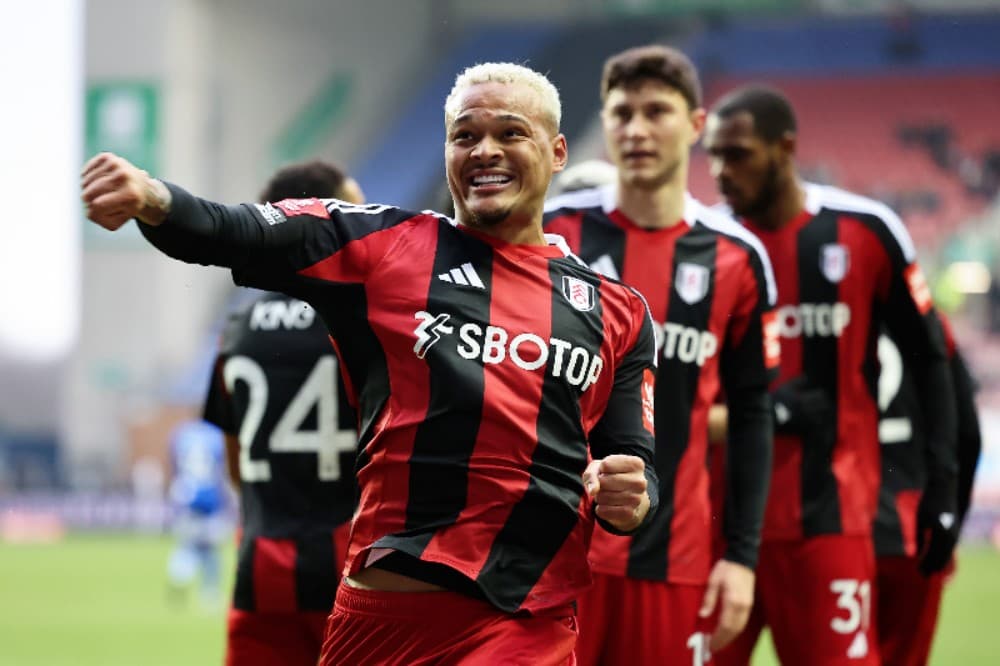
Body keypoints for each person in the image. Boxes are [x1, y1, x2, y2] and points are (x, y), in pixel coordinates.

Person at [82, 62, 659, 666]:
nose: (485, 150)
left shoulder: (617, 312)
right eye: (464, 136)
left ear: (558, 149)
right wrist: (155, 198)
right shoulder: (384, 247)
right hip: (382, 620)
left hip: (524, 625)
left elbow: (637, 462)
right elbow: (240, 232)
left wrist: (632, 496)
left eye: (510, 133)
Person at [703, 85, 959, 665]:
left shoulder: (867, 230)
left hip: (830, 522)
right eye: (713, 155)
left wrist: (943, 491)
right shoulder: (705, 244)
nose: (721, 171)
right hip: (716, 524)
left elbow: (931, 360)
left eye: (737, 154)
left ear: (784, 148)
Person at [544, 45, 777, 665]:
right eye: (621, 113)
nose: (637, 129)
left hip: (674, 558)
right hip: (548, 553)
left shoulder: (738, 259)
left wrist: (742, 558)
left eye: (656, 112)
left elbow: (753, 416)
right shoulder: (551, 234)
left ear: (697, 126)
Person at [202, 160, 365, 665]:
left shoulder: (237, 328)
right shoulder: (366, 318)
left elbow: (235, 464)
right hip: (357, 572)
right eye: (357, 213)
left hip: (263, 570)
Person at [874, 314, 981, 666]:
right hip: (914, 529)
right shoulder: (930, 322)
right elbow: (967, 435)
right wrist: (951, 524)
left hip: (837, 524)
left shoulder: (833, 315)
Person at [165, 418, 231, 608]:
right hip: (210, 499)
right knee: (210, 549)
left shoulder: (181, 434)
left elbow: (174, 465)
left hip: (186, 496)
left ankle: (179, 576)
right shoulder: (217, 436)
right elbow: (223, 470)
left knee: (190, 546)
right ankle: (209, 593)